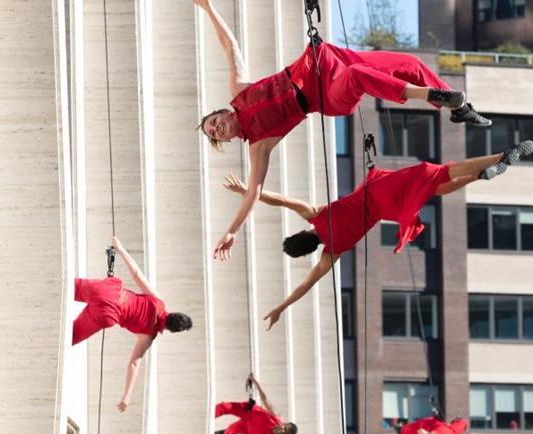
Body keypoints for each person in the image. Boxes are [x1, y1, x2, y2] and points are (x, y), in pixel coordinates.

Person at [191, 0, 492, 262]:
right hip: (329, 93)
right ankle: (430, 95)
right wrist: (232, 230)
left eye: (215, 122)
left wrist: (208, 7)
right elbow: (254, 193)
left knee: (408, 63)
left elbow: (230, 47)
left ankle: (458, 109)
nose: (218, 128)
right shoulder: (259, 145)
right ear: (228, 139)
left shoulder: (241, 90)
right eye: (216, 134)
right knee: (358, 75)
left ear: (223, 112)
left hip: (329, 58)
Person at [220, 142, 533, 330]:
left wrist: (281, 308)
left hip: (389, 211)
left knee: (433, 191)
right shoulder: (316, 214)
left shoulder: (332, 251)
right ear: (303, 231)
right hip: (381, 189)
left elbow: (306, 285)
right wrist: (247, 191)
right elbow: (281, 200)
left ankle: (481, 177)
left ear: (309, 250)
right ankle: (499, 157)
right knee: (437, 173)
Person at [72, 236, 193, 412]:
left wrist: (120, 249)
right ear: (170, 330)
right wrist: (126, 394)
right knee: (69, 337)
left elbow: (136, 274)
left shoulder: (157, 301)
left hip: (109, 290)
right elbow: (134, 364)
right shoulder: (148, 336)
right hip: (107, 315)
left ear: (173, 313)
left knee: (66, 285)